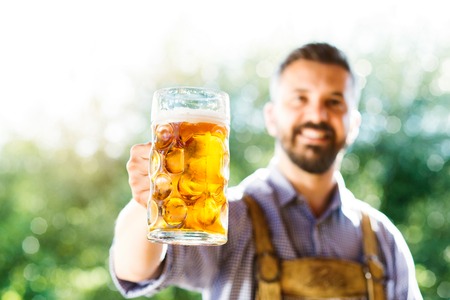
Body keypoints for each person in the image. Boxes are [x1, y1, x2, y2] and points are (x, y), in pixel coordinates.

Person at [110, 42, 422, 299]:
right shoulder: (227, 216)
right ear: (271, 117)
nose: (316, 113)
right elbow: (134, 270)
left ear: (353, 124)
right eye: (300, 99)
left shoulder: (382, 238)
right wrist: (146, 201)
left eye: (334, 102)